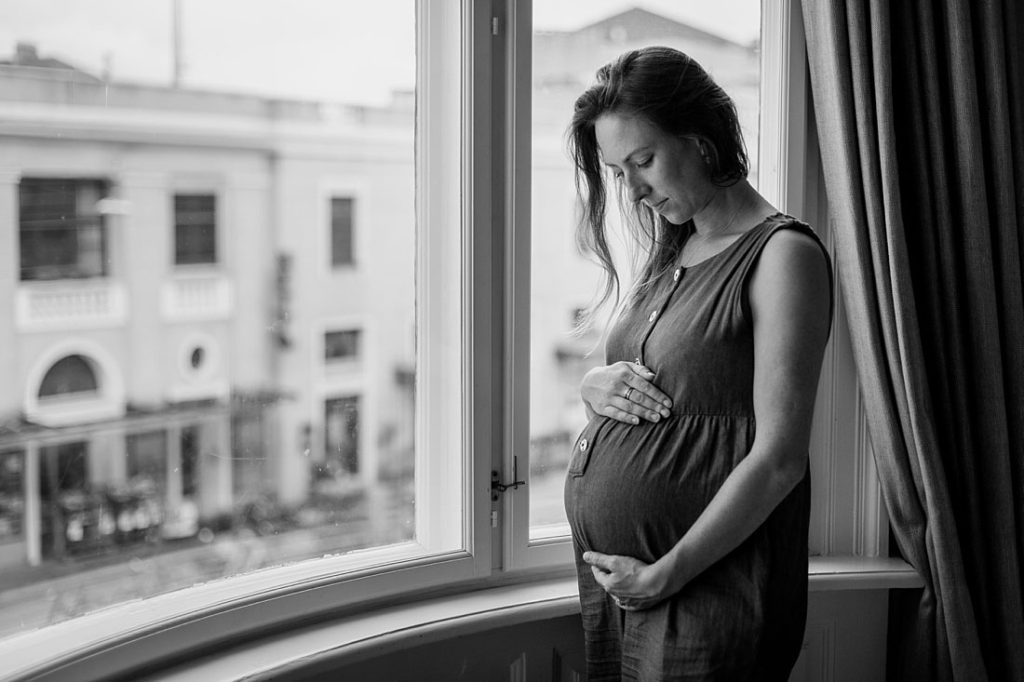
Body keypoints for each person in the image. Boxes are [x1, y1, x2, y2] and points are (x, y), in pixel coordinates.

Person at [562, 46, 833, 681]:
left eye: (643, 161)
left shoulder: (782, 254)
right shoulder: (676, 250)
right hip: (630, 589)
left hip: (709, 587)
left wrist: (663, 574)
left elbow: (780, 459)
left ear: (702, 140)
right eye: (617, 170)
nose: (632, 188)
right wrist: (595, 386)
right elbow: (667, 379)